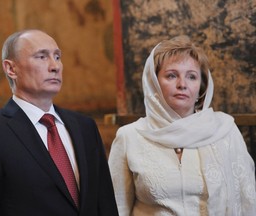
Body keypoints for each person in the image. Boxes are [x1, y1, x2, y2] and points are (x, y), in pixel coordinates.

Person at [0, 29, 118, 216]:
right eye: (41, 57)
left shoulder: (85, 127)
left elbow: (105, 204)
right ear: (11, 69)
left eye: (57, 56)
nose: (55, 66)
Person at [108, 35, 256, 215]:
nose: (182, 84)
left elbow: (248, 202)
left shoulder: (225, 131)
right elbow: (116, 208)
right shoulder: (130, 136)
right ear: (154, 83)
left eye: (192, 77)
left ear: (201, 86)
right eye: (171, 75)